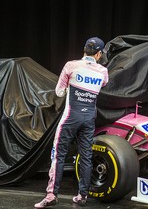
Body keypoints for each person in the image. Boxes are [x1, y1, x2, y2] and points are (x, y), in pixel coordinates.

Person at [34, 37, 109, 208]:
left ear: (84, 50)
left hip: (70, 117)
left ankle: (52, 195)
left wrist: (71, 86)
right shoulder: (103, 72)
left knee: (58, 156)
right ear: (99, 54)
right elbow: (104, 84)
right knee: (86, 157)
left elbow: (59, 92)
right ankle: (82, 196)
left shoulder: (71, 65)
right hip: (89, 118)